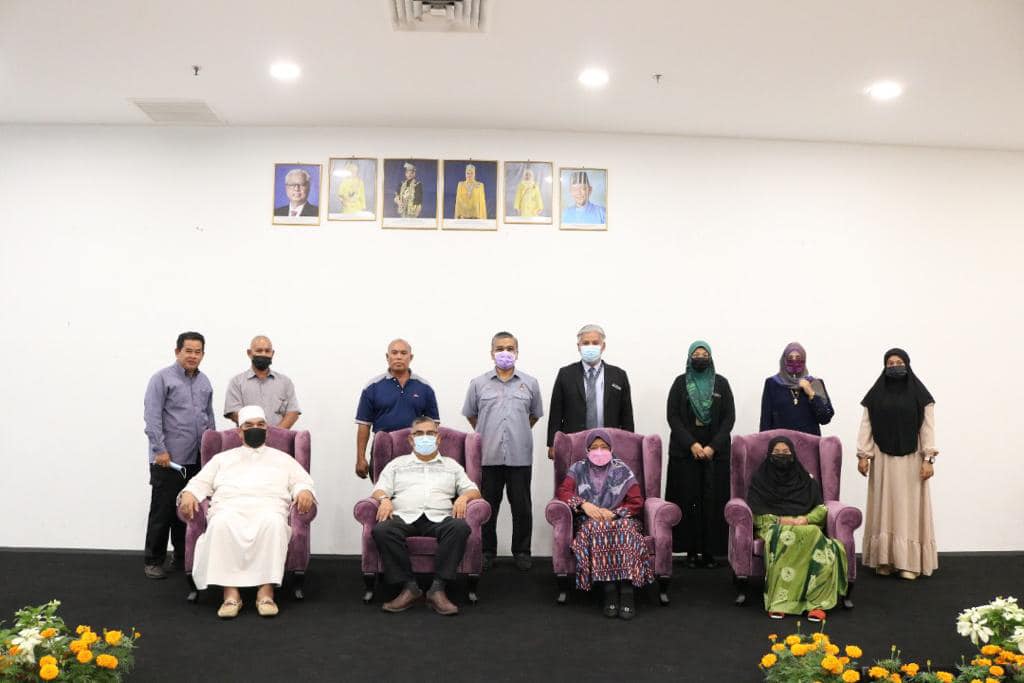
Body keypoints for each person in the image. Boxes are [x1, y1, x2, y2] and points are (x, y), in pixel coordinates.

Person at [178, 405, 316, 619]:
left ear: (267, 430)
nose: (255, 429)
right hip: (229, 507)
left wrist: (304, 491)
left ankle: (266, 593)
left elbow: (301, 481)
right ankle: (231, 595)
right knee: (220, 523)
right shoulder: (222, 459)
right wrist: (189, 493)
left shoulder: (283, 458)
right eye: (249, 425)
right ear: (239, 432)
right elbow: (200, 482)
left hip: (269, 507)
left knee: (274, 523)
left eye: (260, 425)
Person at [369, 416, 481, 616]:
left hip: (439, 518)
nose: (425, 437)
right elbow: (379, 489)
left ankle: (437, 589)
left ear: (438, 438)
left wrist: (464, 497)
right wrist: (384, 500)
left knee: (460, 527)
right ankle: (409, 587)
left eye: (430, 433)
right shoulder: (397, 464)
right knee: (382, 529)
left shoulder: (451, 465)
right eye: (419, 434)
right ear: (411, 439)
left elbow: (474, 491)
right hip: (404, 516)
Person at [462, 331, 543, 571]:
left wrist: (517, 430)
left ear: (517, 352)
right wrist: (488, 431)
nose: (504, 352)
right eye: (499, 348)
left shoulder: (530, 383)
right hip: (488, 456)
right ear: (491, 353)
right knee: (487, 507)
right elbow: (472, 415)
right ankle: (487, 551)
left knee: (522, 507)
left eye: (509, 348)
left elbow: (534, 415)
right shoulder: (478, 384)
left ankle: (522, 551)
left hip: (520, 456)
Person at [857, 348, 938, 580]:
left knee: (908, 508)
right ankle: (886, 560)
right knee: (884, 505)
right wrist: (863, 455)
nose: (894, 366)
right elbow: (866, 425)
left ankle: (909, 563)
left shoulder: (921, 396)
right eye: (890, 363)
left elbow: (927, 428)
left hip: (912, 460)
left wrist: (928, 459)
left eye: (899, 362)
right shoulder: (875, 396)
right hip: (882, 460)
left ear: (907, 365)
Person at [556, 429, 653, 619]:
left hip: (622, 518)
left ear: (611, 449)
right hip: (589, 520)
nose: (599, 451)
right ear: (587, 449)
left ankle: (627, 591)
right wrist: (584, 505)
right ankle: (609, 591)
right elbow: (563, 491)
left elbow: (636, 501)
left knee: (625, 529)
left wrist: (615, 514)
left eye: (603, 447)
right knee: (596, 528)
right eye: (594, 447)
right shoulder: (577, 469)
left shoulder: (622, 469)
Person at [747, 436, 848, 620]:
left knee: (814, 533)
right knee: (784, 536)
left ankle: (816, 603)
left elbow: (821, 508)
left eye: (786, 452)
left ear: (793, 455)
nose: (781, 456)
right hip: (774, 527)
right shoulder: (760, 480)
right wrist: (780, 520)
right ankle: (781, 602)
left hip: (805, 526)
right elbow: (755, 515)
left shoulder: (805, 480)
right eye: (777, 452)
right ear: (769, 455)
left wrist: (805, 519)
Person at [142, 331, 216, 580]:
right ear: (177, 351)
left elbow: (209, 417)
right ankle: (154, 560)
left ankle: (182, 557)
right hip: (169, 459)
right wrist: (159, 450)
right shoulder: (161, 379)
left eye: (198, 352)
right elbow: (152, 417)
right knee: (162, 511)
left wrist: (211, 451)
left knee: (188, 510)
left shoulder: (204, 382)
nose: (193, 356)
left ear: (203, 354)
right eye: (188, 351)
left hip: (196, 458)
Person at [665, 340, 735, 568]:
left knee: (713, 501)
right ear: (689, 357)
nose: (701, 357)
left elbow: (729, 418)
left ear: (711, 357)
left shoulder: (721, 383)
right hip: (686, 453)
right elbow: (673, 417)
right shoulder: (680, 383)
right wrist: (692, 444)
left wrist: (712, 446)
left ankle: (711, 552)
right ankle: (691, 551)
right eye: (697, 353)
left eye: (705, 354)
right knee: (688, 500)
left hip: (715, 452)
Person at [354, 339, 440, 479]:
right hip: (383, 450)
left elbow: (434, 425)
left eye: (403, 353)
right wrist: (360, 457)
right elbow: (364, 425)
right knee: (383, 490)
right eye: (394, 353)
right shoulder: (372, 387)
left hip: (415, 451)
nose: (398, 357)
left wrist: (432, 455)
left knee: (416, 489)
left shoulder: (424, 387)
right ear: (387, 357)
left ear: (410, 357)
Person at [546, 324, 634, 459]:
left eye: (595, 343)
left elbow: (626, 415)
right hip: (574, 443)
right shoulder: (566, 374)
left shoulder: (618, 375)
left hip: (609, 444)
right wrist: (553, 443)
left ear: (603, 346)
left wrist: (629, 444)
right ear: (578, 346)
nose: (590, 346)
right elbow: (556, 413)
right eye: (586, 343)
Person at [223, 335, 301, 429]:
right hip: (248, 436)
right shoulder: (237, 382)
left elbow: (293, 412)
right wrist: (256, 429)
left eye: (267, 351)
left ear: (272, 353)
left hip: (279, 437)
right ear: (249, 353)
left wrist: (276, 434)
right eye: (259, 351)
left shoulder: (285, 382)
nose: (263, 354)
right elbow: (233, 412)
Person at [759, 342, 834, 435]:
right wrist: (764, 442)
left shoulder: (815, 383)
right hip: (782, 442)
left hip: (809, 442)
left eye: (798, 358)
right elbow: (765, 421)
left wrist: (811, 393)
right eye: (790, 358)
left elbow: (826, 417)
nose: (794, 361)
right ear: (784, 360)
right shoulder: (772, 383)